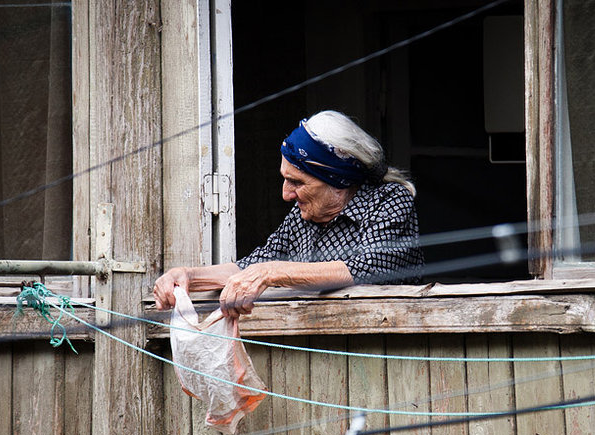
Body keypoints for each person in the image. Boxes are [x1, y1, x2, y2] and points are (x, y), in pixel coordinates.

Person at [153, 110, 424, 317]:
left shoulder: (388, 199)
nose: (286, 194)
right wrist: (188, 276)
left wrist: (271, 273)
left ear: (338, 181)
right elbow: (253, 265)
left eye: (297, 182)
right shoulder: (304, 214)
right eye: (285, 179)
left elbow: (369, 267)